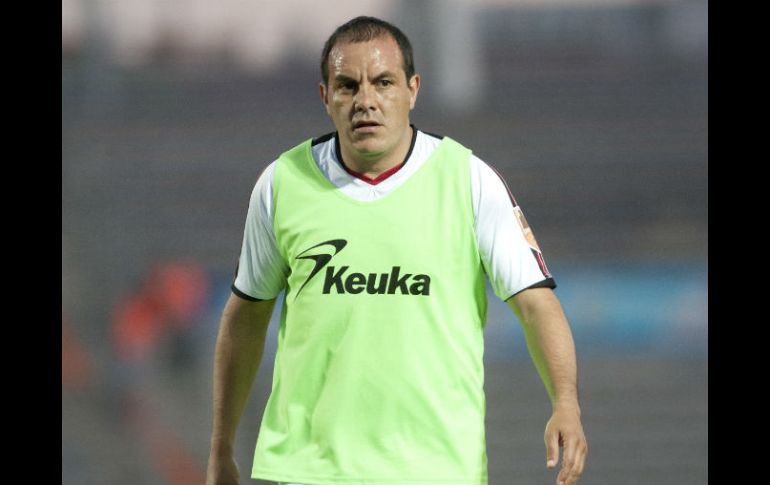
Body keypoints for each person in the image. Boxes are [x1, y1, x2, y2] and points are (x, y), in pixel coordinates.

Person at [206, 15, 587, 485]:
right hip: (311, 470)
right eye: (348, 86)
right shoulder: (282, 184)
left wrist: (565, 402)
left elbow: (536, 304)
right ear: (326, 97)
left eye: (383, 82)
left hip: (437, 470)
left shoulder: (469, 181)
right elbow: (245, 317)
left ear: (412, 89)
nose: (365, 101)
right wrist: (221, 446)